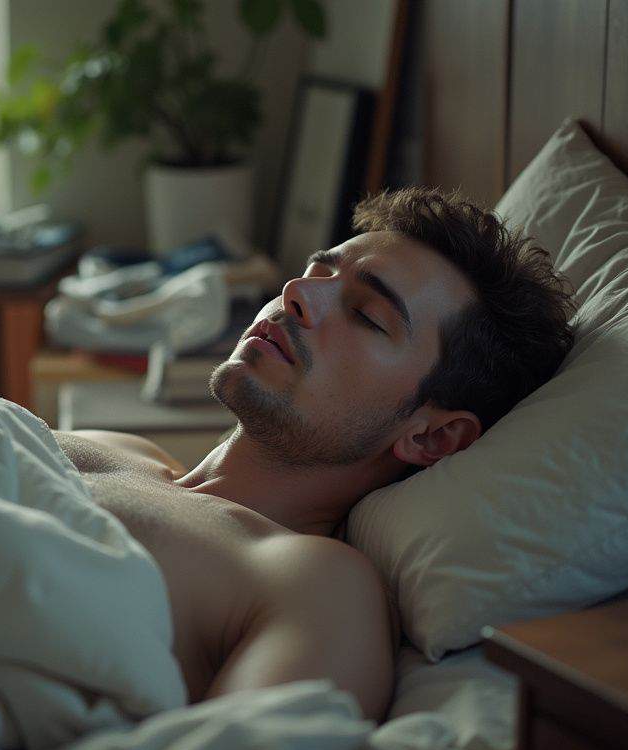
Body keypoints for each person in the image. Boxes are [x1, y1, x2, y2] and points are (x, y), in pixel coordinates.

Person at [54, 188, 576, 716]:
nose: (296, 293)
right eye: (316, 271)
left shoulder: (315, 586)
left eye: (366, 314)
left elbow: (235, 747)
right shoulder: (114, 447)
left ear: (431, 437)